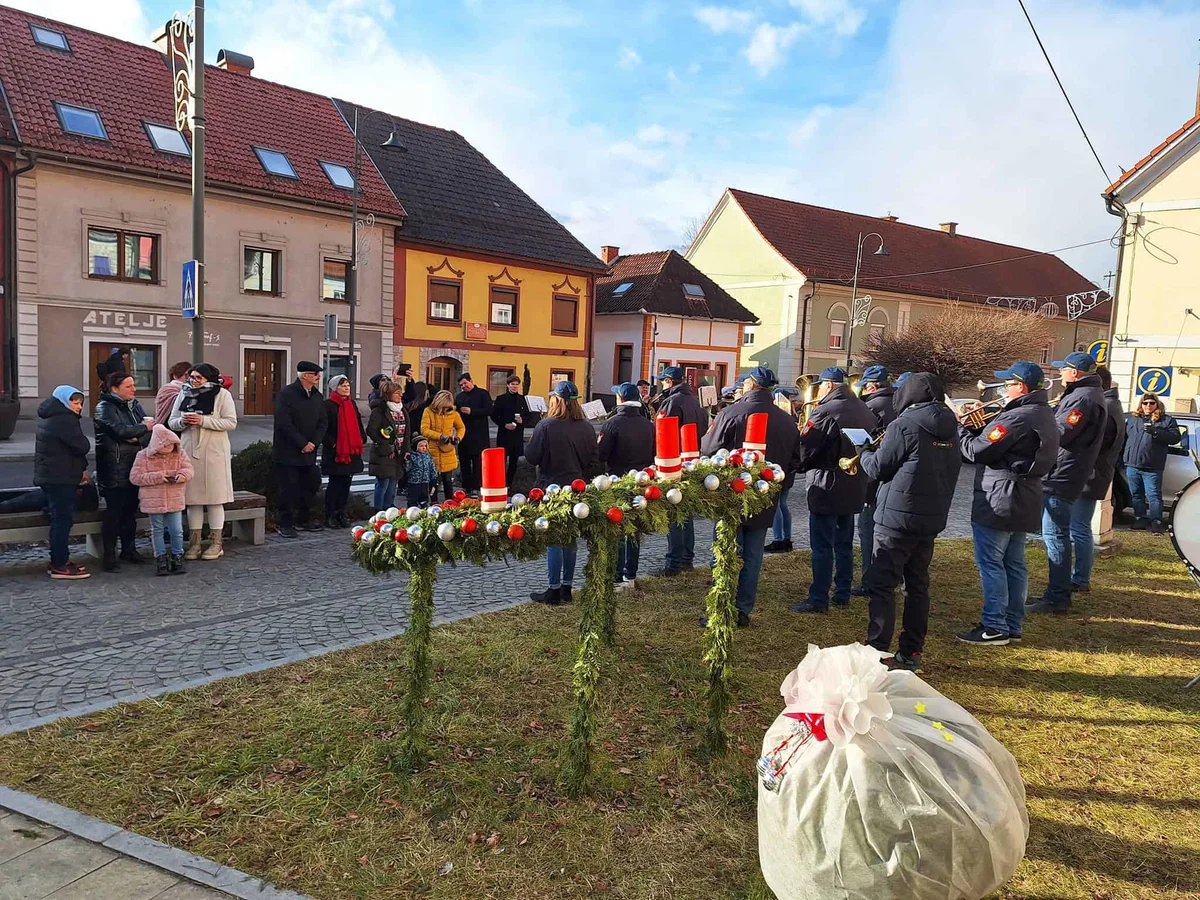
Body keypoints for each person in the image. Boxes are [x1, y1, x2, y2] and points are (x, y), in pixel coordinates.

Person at [858, 372, 962, 672]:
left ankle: (876, 650)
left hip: (896, 519)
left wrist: (863, 451)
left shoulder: (904, 424)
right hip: (930, 519)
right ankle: (911, 651)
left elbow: (878, 468)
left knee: (882, 585)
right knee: (917, 586)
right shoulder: (951, 425)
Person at [955, 362, 1058, 646]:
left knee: (991, 563)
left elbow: (977, 451)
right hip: (1026, 494)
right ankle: (1012, 624)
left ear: (1020, 387)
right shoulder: (1042, 411)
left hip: (1002, 494)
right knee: (1014, 563)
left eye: (1006, 384)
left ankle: (994, 625)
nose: (1002, 389)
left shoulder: (1017, 417)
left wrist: (959, 429)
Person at [699, 367, 802, 627]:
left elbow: (709, 449)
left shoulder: (731, 412)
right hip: (766, 495)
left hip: (731, 493)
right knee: (754, 555)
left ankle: (721, 608)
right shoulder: (786, 418)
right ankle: (742, 610)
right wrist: (777, 487)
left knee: (725, 551)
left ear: (751, 385)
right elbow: (795, 461)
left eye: (743, 383)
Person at [790, 367, 879, 613]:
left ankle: (818, 598)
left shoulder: (825, 411)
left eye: (820, 385)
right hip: (855, 483)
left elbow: (807, 447)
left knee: (821, 545)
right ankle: (842, 592)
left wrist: (801, 466)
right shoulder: (864, 408)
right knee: (844, 542)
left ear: (828, 385)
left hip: (826, 483)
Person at [1026, 352, 1107, 614]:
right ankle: (1056, 591)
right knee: (1056, 533)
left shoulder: (1083, 398)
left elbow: (1061, 432)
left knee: (1056, 535)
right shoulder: (1085, 394)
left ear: (1075, 373)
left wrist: (1033, 424)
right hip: (1066, 471)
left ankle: (1057, 596)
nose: (1060, 373)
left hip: (1064, 473)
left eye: (1064, 369)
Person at [525, 381, 597, 605]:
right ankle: (567, 587)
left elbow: (531, 457)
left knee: (554, 538)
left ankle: (553, 589)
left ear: (556, 400)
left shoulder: (546, 425)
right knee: (570, 538)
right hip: (576, 486)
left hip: (551, 486)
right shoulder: (586, 427)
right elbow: (592, 460)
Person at [169, 363, 237, 560]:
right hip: (189, 449)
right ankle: (195, 542)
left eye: (198, 377)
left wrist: (203, 421)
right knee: (193, 500)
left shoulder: (222, 395)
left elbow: (230, 422)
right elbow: (172, 420)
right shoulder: (184, 393)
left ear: (209, 378)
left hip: (214, 450)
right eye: (192, 377)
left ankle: (216, 542)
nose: (194, 381)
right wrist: (183, 422)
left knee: (215, 499)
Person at [1069, 365, 1125, 592]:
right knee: (1080, 527)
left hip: (1091, 474)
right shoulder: (1113, 404)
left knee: (1079, 528)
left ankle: (1080, 579)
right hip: (1097, 473)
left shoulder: (1106, 406)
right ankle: (1079, 577)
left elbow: (1093, 444)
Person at [598, 382, 656, 591]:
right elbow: (654, 453)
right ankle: (630, 575)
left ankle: (616, 577)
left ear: (620, 399)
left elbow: (601, 454)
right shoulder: (649, 424)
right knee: (633, 530)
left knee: (618, 527)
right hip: (641, 481)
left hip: (618, 480)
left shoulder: (612, 423)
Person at [653, 366, 708, 577]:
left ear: (668, 381)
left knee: (674, 512)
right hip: (692, 460)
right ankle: (687, 558)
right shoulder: (694, 400)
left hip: (673, 462)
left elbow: (661, 431)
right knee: (686, 512)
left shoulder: (672, 402)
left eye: (663, 381)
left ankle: (674, 563)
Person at [94, 371, 152, 570]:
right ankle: (109, 556)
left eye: (133, 385)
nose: (134, 390)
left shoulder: (134, 405)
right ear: (114, 389)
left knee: (130, 512)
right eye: (129, 386)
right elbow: (120, 431)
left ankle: (129, 550)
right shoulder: (104, 407)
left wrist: (137, 434)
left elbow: (149, 430)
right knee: (114, 513)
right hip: (114, 468)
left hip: (135, 466)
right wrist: (140, 429)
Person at [35, 385, 92, 580]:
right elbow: (81, 445)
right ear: (63, 401)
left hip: (54, 476)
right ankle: (59, 564)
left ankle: (61, 559)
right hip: (61, 478)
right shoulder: (65, 420)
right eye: (74, 402)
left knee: (60, 519)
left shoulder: (51, 415)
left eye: (80, 403)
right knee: (61, 521)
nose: (78, 407)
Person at [851, 365, 897, 593]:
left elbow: (866, 441)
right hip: (893, 478)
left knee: (868, 529)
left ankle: (870, 580)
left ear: (871, 386)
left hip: (872, 475)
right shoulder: (899, 405)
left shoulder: (870, 407)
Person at [272, 361, 328, 539]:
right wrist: (302, 443)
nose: (319, 377)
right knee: (287, 489)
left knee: (309, 486)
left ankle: (305, 519)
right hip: (288, 451)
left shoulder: (317, 396)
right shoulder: (286, 394)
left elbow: (323, 422)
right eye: (315, 374)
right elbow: (284, 423)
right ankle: (286, 524)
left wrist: (314, 442)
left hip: (309, 451)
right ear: (305, 376)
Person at [129, 424, 194, 576]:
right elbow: (135, 477)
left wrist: (182, 475)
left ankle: (177, 556)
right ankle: (161, 557)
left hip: (174, 498)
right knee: (157, 530)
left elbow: (189, 470)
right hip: (153, 500)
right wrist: (158, 477)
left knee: (176, 530)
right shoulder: (143, 456)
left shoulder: (180, 453)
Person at [1123, 392, 1181, 533]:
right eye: (1145, 403)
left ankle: (1156, 521)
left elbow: (1175, 438)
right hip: (1132, 464)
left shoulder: (1166, 420)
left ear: (1157, 404)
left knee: (1154, 495)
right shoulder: (1133, 419)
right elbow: (1124, 438)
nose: (1148, 405)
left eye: (1151, 403)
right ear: (1141, 405)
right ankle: (1140, 519)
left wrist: (1156, 432)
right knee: (1136, 494)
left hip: (1152, 465)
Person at [322, 374, 366, 528]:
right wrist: (333, 444)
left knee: (346, 483)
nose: (347, 388)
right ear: (335, 388)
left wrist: (362, 437)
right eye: (343, 385)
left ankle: (342, 512)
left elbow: (358, 421)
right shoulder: (328, 405)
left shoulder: (351, 403)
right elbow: (323, 428)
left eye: (348, 385)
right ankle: (331, 515)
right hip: (337, 452)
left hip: (351, 451)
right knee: (335, 484)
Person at [765, 387, 800, 554]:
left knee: (777, 504)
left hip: (778, 467)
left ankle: (778, 539)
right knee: (783, 504)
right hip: (789, 468)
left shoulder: (776, 418)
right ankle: (787, 538)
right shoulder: (791, 419)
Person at [367, 380, 407, 511]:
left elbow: (407, 432)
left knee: (393, 481)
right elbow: (372, 431)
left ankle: (389, 506)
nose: (400, 396)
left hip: (399, 452)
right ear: (388, 394)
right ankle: (379, 510)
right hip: (384, 453)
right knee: (383, 482)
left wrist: (407, 450)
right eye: (397, 393)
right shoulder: (380, 411)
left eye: (401, 393)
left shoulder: (402, 410)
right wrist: (386, 447)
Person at [420, 390, 466, 502]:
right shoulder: (428, 411)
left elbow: (461, 427)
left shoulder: (454, 414)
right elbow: (424, 429)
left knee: (448, 480)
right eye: (444, 407)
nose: (445, 409)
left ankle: (449, 503)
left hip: (448, 450)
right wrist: (439, 436)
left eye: (447, 407)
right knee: (434, 480)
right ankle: (434, 503)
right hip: (433, 449)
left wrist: (458, 438)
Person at [454, 373, 493, 498]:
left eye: (465, 383)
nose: (463, 386)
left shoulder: (483, 394)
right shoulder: (459, 397)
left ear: (471, 381)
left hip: (479, 434)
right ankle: (466, 486)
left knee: (477, 463)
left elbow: (489, 410)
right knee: (464, 462)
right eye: (461, 385)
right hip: (464, 434)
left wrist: (472, 411)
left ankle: (476, 487)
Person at [490, 374, 529, 485]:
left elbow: (528, 415)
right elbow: (494, 416)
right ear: (508, 385)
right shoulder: (501, 399)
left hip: (517, 434)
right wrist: (504, 425)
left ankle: (509, 484)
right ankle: (500, 483)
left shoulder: (522, 399)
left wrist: (523, 421)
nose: (514, 387)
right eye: (512, 384)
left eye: (516, 385)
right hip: (504, 434)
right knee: (501, 460)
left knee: (514, 462)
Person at [156, 361, 192, 426]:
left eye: (191, 376)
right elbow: (179, 401)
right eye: (186, 375)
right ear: (175, 376)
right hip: (166, 423)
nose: (189, 379)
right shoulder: (167, 388)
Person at [406, 437, 438, 507]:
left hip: (425, 481)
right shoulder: (413, 457)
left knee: (424, 498)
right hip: (414, 482)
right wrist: (407, 461)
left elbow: (432, 467)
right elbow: (407, 469)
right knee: (412, 499)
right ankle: (412, 510)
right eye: (421, 446)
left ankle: (424, 509)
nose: (424, 448)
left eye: (425, 446)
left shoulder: (428, 456)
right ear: (416, 447)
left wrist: (434, 477)